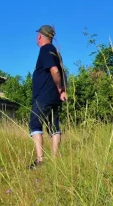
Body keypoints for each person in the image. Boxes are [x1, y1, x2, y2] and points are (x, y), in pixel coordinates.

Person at [28, 25, 67, 169]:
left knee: (35, 124)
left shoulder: (45, 50)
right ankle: (56, 160)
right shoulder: (56, 53)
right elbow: (63, 73)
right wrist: (62, 91)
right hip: (55, 97)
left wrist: (58, 87)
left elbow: (55, 71)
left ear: (39, 36)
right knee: (53, 126)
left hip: (43, 97)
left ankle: (40, 161)